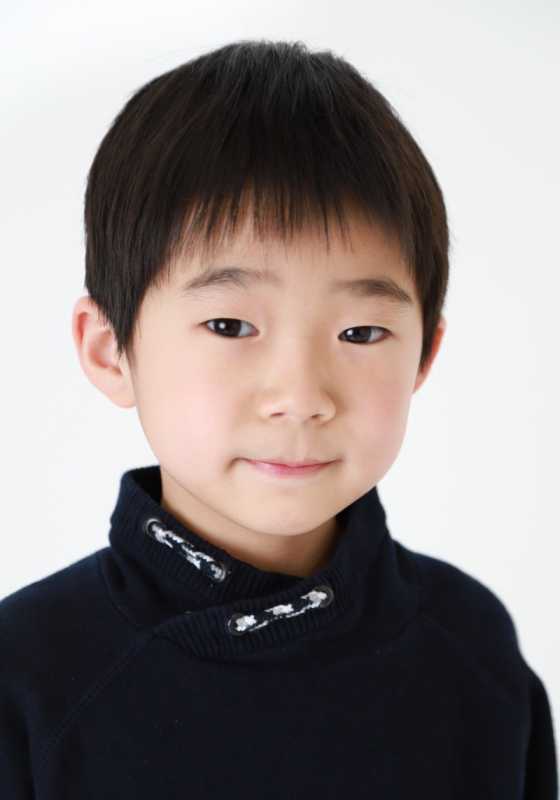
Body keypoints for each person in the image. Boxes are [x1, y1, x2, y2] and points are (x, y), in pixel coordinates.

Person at [0, 39, 556, 798]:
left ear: (424, 355)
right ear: (110, 350)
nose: (300, 395)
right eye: (231, 326)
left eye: (361, 332)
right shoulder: (28, 679)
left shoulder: (474, 649)